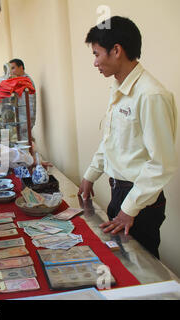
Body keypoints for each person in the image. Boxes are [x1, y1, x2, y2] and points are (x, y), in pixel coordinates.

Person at [78, 16, 177, 259]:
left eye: (97, 54)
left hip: (140, 200)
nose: (95, 63)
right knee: (122, 262)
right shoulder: (119, 87)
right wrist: (91, 174)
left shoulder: (150, 95)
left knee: (142, 267)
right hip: (120, 191)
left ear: (117, 51)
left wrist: (129, 210)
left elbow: (161, 163)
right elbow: (111, 139)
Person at [9, 58, 37, 129]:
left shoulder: (26, 80)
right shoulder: (19, 80)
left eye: (13, 68)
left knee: (25, 138)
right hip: (21, 116)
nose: (11, 71)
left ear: (21, 67)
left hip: (26, 117)